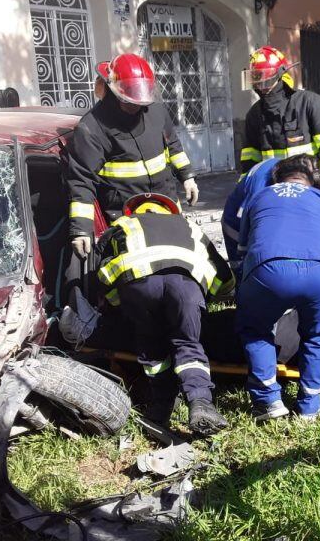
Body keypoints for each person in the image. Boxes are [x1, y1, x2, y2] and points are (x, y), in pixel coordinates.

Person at [96, 193, 234, 436]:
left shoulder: (121, 225)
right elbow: (224, 277)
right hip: (185, 286)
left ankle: (160, 408)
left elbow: (101, 272)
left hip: (139, 287)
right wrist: (204, 301)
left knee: (153, 350)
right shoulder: (190, 225)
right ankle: (201, 403)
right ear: (169, 210)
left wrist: (120, 305)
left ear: (133, 211)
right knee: (188, 344)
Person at [236, 155, 320, 421]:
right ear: (310, 180)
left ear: (275, 179)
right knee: (318, 334)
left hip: (269, 269)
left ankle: (268, 401)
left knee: (256, 328)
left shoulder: (259, 197)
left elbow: (242, 250)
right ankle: (310, 405)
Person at [67, 53, 199, 259]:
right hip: (126, 222)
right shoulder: (92, 128)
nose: (136, 106)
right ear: (114, 91)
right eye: (129, 99)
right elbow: (82, 181)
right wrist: (81, 228)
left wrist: (187, 176)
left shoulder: (155, 111)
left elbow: (172, 144)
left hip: (168, 211)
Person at [241, 46, 320, 203]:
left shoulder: (308, 102)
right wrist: (244, 188)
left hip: (311, 188)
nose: (261, 87)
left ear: (280, 76)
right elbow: (250, 160)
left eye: (266, 81)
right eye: (257, 81)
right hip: (273, 192)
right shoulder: (254, 115)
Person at [221, 158, 278, 282]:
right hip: (235, 225)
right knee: (243, 270)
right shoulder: (261, 186)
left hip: (245, 219)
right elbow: (246, 220)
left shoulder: (286, 170)